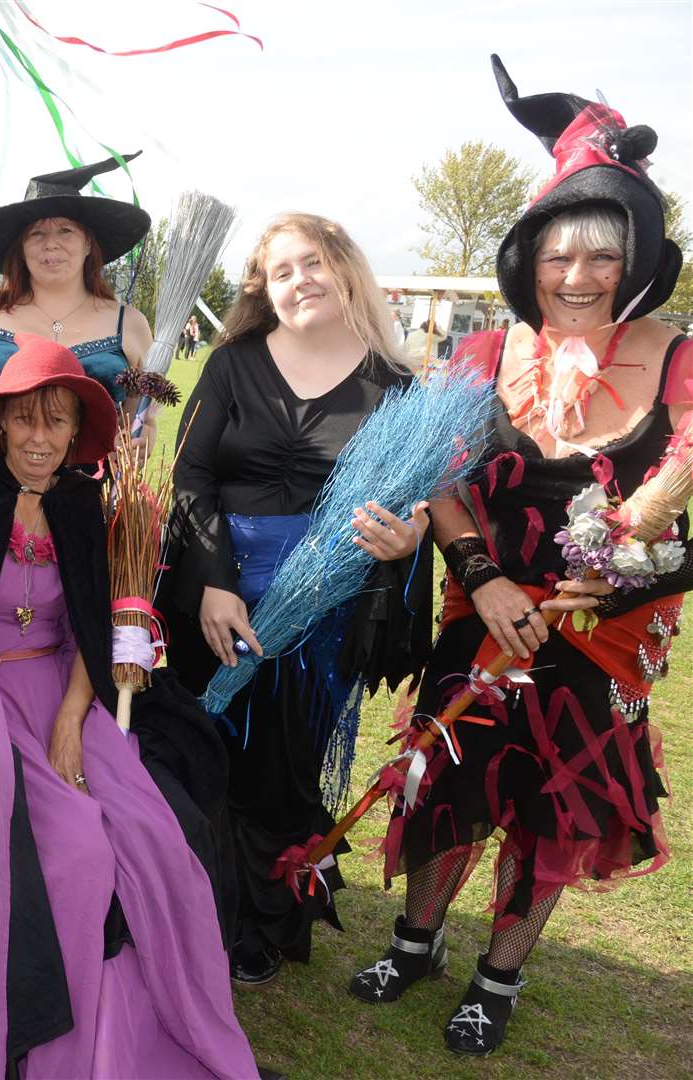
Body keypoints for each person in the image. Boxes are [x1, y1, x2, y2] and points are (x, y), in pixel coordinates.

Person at [351, 56, 690, 1057]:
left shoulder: (676, 356)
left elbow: (686, 458)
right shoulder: (481, 356)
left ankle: (497, 977)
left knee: (558, 807)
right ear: (529, 257)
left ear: (632, 262)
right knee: (445, 776)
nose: (577, 278)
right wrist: (483, 577)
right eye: (559, 256)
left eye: (600, 256)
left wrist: (629, 556)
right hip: (482, 614)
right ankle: (415, 944)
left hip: (605, 636)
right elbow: (441, 477)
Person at [0, 337, 258, 1077]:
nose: (40, 439)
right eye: (26, 420)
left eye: (57, 423)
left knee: (153, 840)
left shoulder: (83, 505)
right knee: (74, 844)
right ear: (2, 424)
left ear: (78, 432)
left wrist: (73, 719)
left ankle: (103, 1034)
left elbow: (93, 623)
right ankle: (31, 1036)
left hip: (68, 689)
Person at [162, 212, 434, 987]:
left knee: (282, 769)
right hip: (211, 599)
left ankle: (256, 921)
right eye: (280, 272)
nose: (299, 280)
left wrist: (406, 542)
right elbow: (191, 479)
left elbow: (412, 508)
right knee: (197, 750)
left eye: (312, 263)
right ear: (263, 290)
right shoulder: (231, 365)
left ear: (345, 269)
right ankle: (184, 909)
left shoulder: (395, 387)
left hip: (320, 614)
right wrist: (214, 581)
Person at [0, 154, 154, 466]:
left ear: (89, 243)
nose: (51, 244)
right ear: (21, 247)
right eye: (37, 233)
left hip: (90, 505)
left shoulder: (130, 324)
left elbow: (139, 421)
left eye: (65, 231)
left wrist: (143, 439)